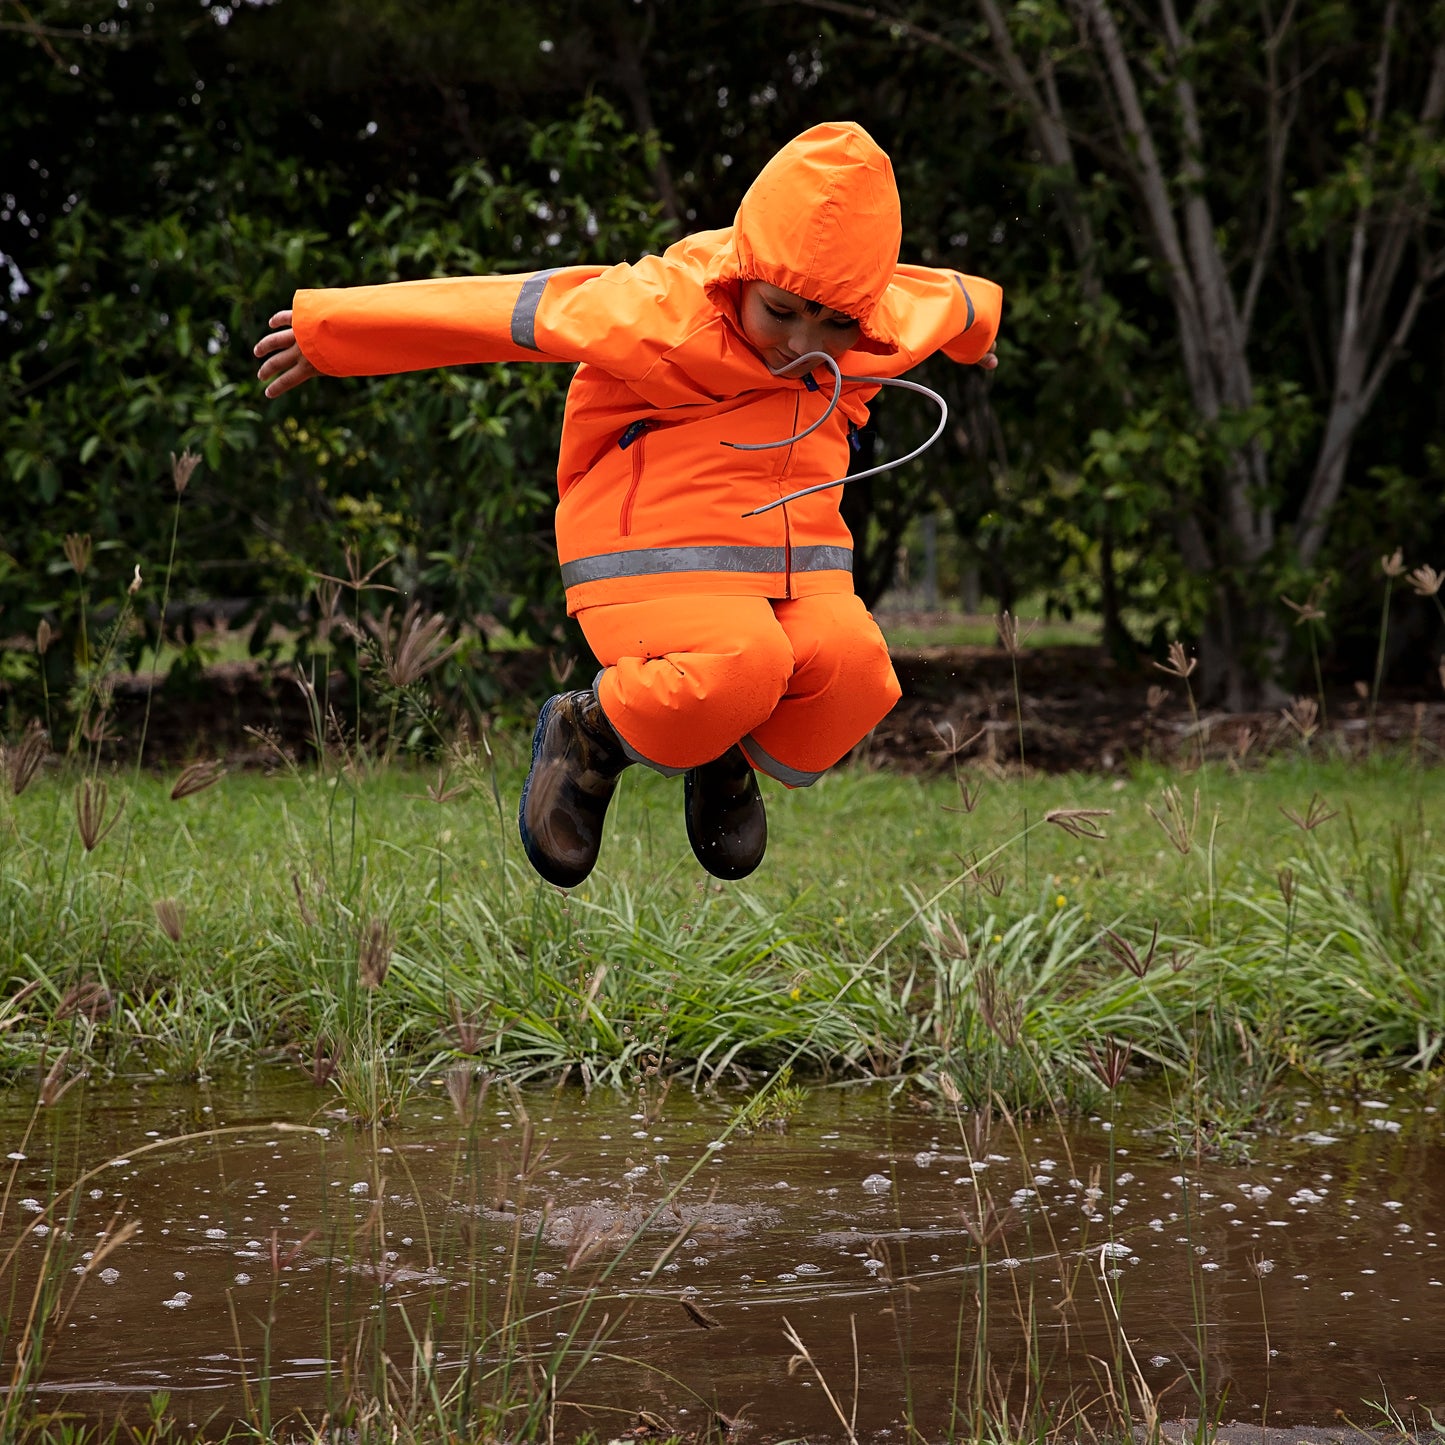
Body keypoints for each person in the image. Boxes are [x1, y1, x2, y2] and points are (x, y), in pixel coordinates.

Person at [254, 120, 1001, 889]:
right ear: (744, 274)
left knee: (857, 670)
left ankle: (723, 751)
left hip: (789, 559)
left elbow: (955, 302)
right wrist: (330, 332)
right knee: (742, 663)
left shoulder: (874, 319)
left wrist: (980, 338)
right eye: (778, 312)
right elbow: (504, 311)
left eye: (834, 324)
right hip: (652, 547)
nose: (800, 342)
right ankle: (589, 733)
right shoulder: (657, 309)